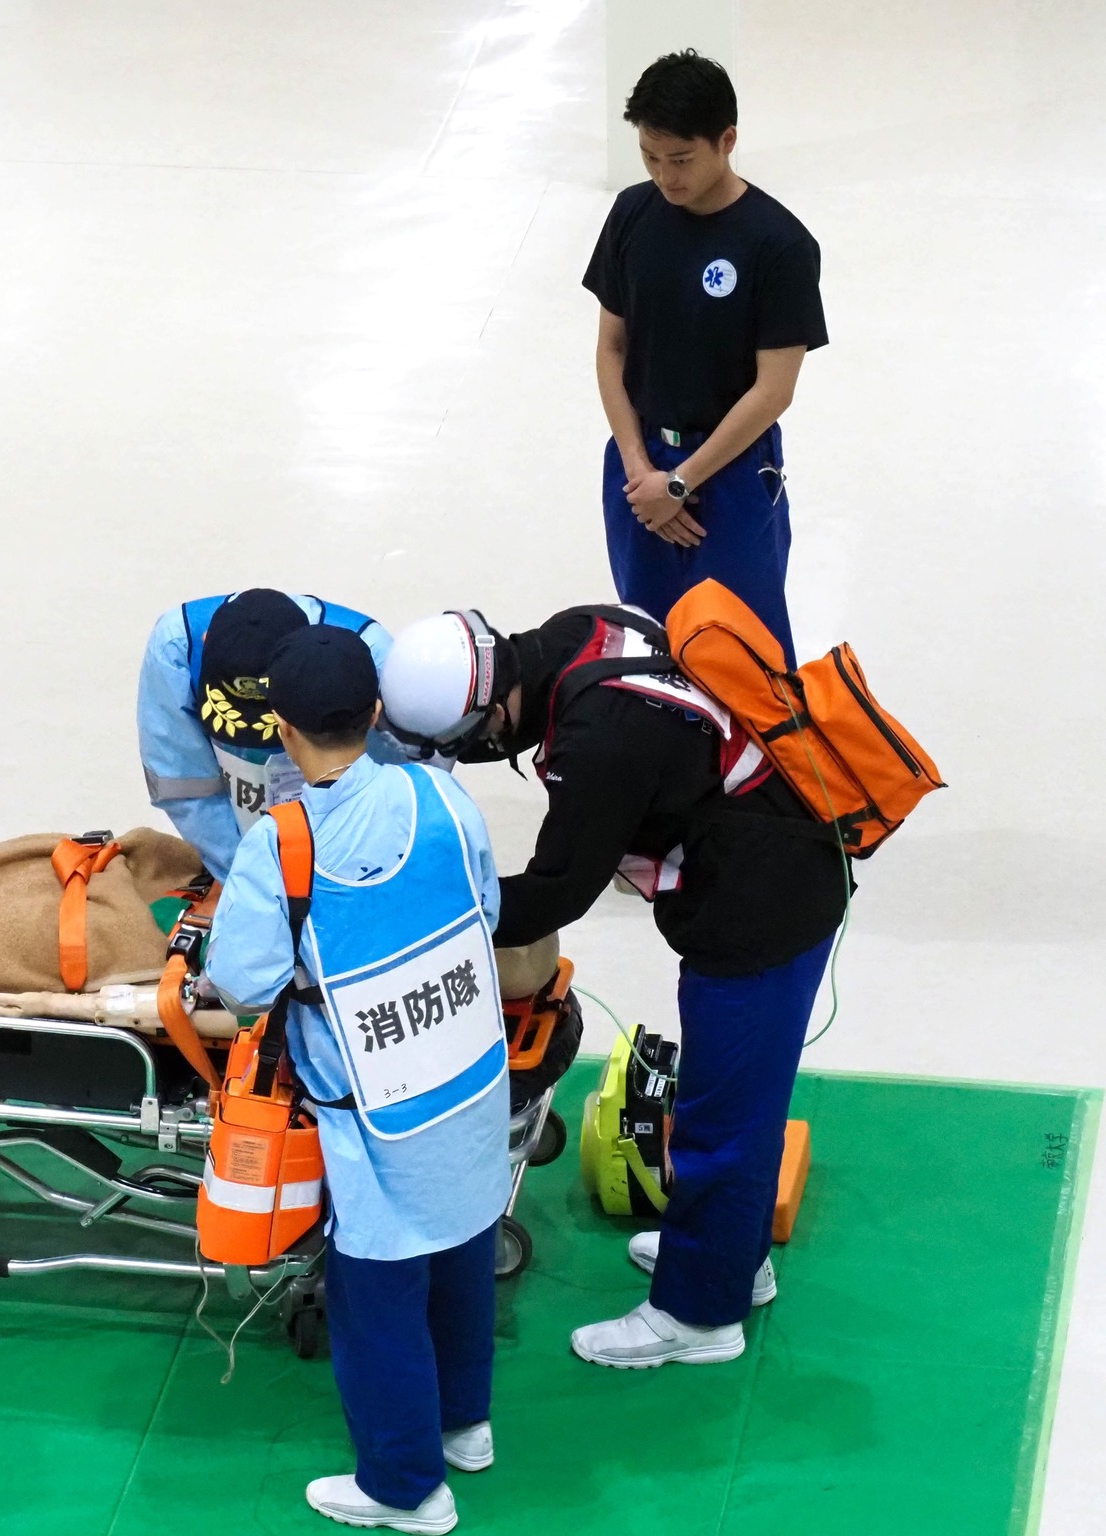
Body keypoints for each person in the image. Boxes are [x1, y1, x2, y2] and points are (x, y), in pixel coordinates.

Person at [380, 607, 848, 1369]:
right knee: (740, 1106)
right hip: (782, 855)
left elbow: (556, 892)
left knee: (720, 1122)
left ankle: (698, 1316)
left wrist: (425, 917)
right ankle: (730, 1256)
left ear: (491, 716)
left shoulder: (599, 742)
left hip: (763, 910)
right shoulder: (578, 634)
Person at [205, 626, 507, 1535]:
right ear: (377, 713)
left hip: (372, 1110)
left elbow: (245, 984)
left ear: (281, 732)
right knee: (465, 1239)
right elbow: (486, 907)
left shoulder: (284, 844)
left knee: (377, 1290)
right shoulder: (444, 797)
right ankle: (465, 1425)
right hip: (467, 1073)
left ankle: (406, 1488)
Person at [587, 50, 827, 661]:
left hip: (730, 474)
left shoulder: (779, 245)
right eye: (650, 157)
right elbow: (611, 348)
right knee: (649, 644)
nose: (665, 176)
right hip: (639, 469)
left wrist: (681, 481)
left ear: (727, 141)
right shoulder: (632, 214)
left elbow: (774, 391)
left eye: (681, 159)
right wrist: (642, 471)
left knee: (744, 654)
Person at [137, 588, 402, 881]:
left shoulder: (373, 658)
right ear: (205, 641)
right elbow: (184, 785)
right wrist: (248, 876)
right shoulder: (177, 648)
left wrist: (342, 882)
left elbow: (395, 798)